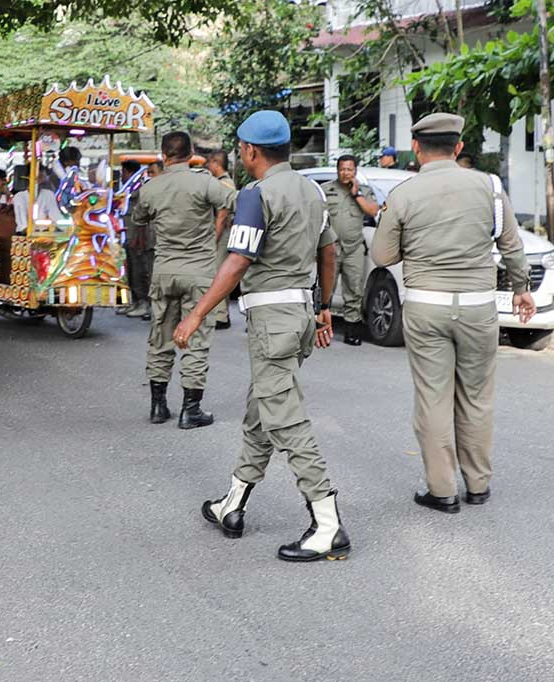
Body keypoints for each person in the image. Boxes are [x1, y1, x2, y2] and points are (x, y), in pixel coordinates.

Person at [173, 110, 351, 562]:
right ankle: (233, 504)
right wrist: (325, 306)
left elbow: (237, 260)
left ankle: (327, 523)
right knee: (262, 410)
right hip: (301, 315)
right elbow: (329, 252)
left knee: (285, 418)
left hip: (271, 318)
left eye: (241, 149)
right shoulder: (313, 190)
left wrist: (196, 315)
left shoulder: (256, 194)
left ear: (251, 151)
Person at [371, 112, 536, 514]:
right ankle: (478, 484)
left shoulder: (405, 194)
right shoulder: (489, 187)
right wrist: (521, 290)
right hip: (479, 306)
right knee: (477, 398)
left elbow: (382, 255)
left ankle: (442, 491)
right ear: (458, 147)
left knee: (433, 399)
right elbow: (512, 246)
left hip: (427, 306)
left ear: (416, 148)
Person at [131, 132, 233, 429]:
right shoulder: (204, 182)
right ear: (191, 154)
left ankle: (158, 407)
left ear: (163, 155)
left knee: (160, 338)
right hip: (199, 273)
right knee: (196, 341)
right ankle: (191, 410)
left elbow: (139, 217)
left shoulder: (152, 187)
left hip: (164, 272)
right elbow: (233, 201)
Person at [321, 154, 379, 345]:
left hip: (354, 248)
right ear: (337, 170)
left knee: (354, 289)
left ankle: (352, 330)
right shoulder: (326, 190)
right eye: (342, 169)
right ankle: (320, 328)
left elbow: (372, 211)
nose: (346, 173)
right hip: (331, 247)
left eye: (350, 170)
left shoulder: (364, 191)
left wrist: (356, 194)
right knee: (325, 290)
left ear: (355, 171)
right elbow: (317, 219)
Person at [205, 150, 237, 330]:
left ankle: (221, 315)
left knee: (218, 274)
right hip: (222, 232)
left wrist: (214, 240)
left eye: (210, 163)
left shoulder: (223, 183)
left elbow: (222, 215)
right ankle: (219, 313)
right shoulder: (222, 182)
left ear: (216, 163)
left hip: (222, 234)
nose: (208, 166)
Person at [121, 160, 153, 319]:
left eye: (123, 172)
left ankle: (144, 302)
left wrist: (139, 237)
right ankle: (135, 300)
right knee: (131, 269)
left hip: (137, 235)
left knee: (141, 269)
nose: (121, 176)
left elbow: (142, 216)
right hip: (127, 233)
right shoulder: (125, 188)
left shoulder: (140, 188)